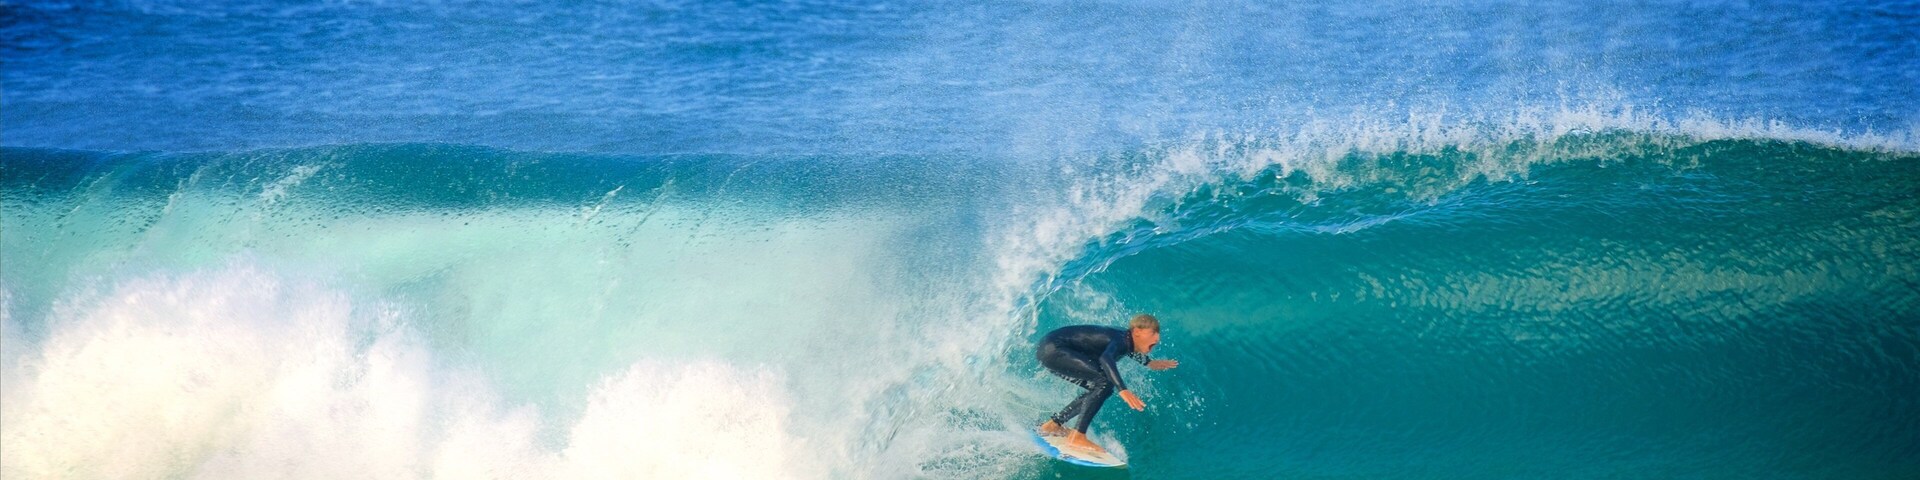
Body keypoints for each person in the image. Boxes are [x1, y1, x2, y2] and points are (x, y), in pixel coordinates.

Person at [1035, 314, 1178, 454]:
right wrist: (1123, 389)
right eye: (1153, 332)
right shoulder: (1121, 340)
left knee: (1101, 389)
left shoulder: (1125, 339)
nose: (1157, 337)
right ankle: (1077, 437)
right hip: (1055, 350)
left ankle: (1052, 425)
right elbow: (1106, 358)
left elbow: (1127, 350)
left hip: (1050, 350)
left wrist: (1149, 362)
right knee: (1104, 383)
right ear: (1137, 332)